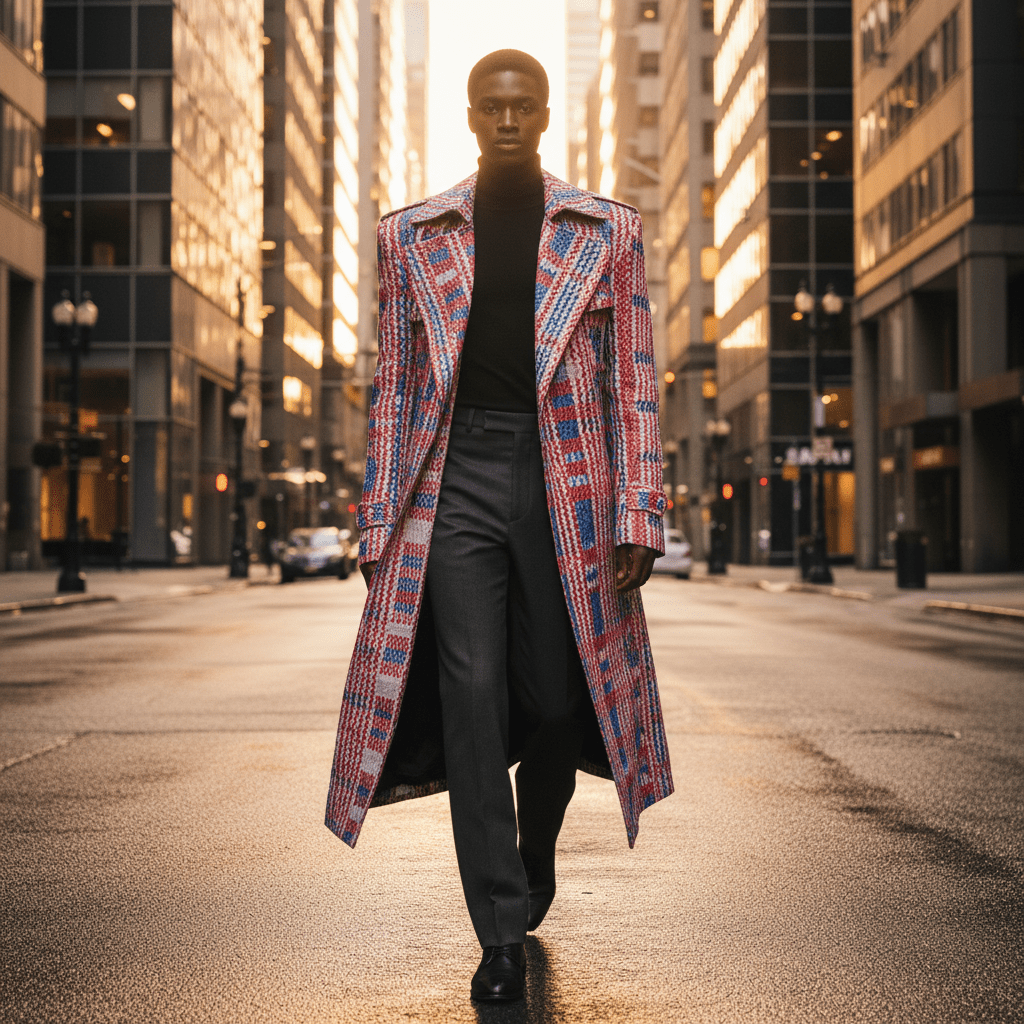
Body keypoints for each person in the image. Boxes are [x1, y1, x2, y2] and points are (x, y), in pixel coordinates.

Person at [326, 49, 673, 1003]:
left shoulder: (605, 231)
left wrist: (639, 506)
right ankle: (500, 929)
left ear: (546, 113)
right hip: (453, 481)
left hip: (571, 477)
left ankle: (534, 850)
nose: (509, 119)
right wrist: (378, 522)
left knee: (560, 700)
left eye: (524, 106)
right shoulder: (414, 235)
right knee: (472, 694)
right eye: (493, 107)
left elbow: (636, 378)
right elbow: (393, 385)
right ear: (471, 117)